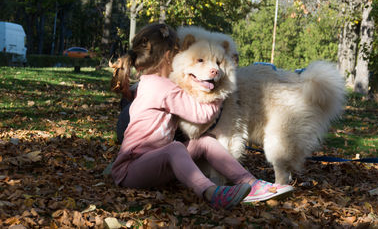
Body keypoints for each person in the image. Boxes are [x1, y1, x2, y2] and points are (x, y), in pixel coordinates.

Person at [110, 23, 293, 210]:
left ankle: (250, 183)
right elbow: (202, 115)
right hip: (130, 169)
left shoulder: (150, 82)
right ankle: (211, 192)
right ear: (168, 57)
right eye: (176, 53)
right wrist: (218, 89)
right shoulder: (164, 88)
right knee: (174, 149)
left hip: (153, 161)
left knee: (205, 142)